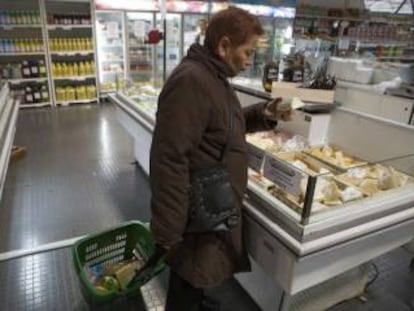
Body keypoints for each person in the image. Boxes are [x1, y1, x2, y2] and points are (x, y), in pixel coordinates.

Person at [149, 7, 292, 311]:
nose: (250, 60)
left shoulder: (214, 75)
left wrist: (263, 114)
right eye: (248, 51)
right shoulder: (192, 80)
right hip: (195, 216)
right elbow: (169, 159)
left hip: (210, 211)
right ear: (224, 45)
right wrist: (169, 231)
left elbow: (221, 125)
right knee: (188, 281)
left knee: (196, 279)